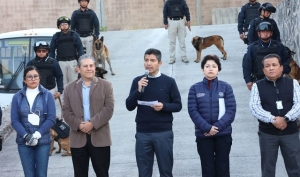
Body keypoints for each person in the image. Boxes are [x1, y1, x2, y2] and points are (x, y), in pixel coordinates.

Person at [125, 48, 182, 177]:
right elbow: (129, 106)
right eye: (146, 60)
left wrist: (164, 106)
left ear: (160, 63)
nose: (148, 63)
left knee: (166, 171)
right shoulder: (137, 81)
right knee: (144, 173)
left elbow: (178, 105)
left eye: (152, 60)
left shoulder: (169, 82)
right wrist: (138, 91)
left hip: (163, 133)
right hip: (143, 133)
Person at [62, 54, 114, 177]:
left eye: (91, 65)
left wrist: (92, 124)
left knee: (102, 173)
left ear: (95, 67)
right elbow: (66, 112)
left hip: (100, 138)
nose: (89, 68)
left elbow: (109, 109)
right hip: (78, 139)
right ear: (78, 69)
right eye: (85, 66)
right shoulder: (69, 88)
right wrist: (80, 125)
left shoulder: (106, 86)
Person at [249, 54, 300, 177]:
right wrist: (272, 119)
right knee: (268, 169)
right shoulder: (257, 86)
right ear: (263, 70)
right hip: (267, 134)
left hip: (290, 133)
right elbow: (254, 107)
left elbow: (298, 104)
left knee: (296, 168)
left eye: (274, 65)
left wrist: (286, 119)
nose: (271, 68)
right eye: (267, 66)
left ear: (281, 67)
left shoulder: (292, 83)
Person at [187, 55, 236, 177]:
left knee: (223, 168)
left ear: (218, 70)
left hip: (223, 135)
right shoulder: (194, 88)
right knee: (207, 168)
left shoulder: (226, 87)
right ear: (202, 69)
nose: (210, 69)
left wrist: (216, 128)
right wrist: (207, 128)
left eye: (214, 66)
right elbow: (193, 111)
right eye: (207, 66)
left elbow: (231, 111)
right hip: (203, 135)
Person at [10, 66, 56, 177]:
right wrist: (26, 136)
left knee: (41, 174)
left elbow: (51, 118)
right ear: (24, 80)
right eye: (29, 77)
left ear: (39, 78)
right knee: (29, 174)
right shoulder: (17, 97)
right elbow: (15, 120)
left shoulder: (47, 95)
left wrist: (37, 135)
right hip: (23, 141)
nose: (33, 79)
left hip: (43, 141)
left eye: (35, 76)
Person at [242, 22, 290, 90]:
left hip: (278, 79)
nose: (265, 33)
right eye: (263, 32)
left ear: (271, 33)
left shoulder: (279, 46)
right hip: (259, 80)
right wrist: (248, 81)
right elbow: (246, 64)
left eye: (267, 31)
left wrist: (282, 71)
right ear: (259, 33)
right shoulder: (252, 48)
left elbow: (286, 60)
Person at [49, 16, 84, 87]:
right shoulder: (56, 36)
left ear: (69, 25)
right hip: (61, 63)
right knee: (62, 83)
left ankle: (73, 98)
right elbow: (51, 51)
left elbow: (80, 49)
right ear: (59, 26)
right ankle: (63, 98)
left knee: (74, 84)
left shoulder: (75, 35)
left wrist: (80, 64)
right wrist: (52, 64)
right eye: (62, 24)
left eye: (66, 24)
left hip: (73, 62)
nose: (64, 26)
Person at [163, 0, 191, 64]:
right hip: (171, 22)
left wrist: (188, 20)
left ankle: (184, 57)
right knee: (172, 41)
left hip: (181, 21)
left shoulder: (181, 1)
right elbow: (165, 13)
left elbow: (186, 10)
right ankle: (172, 58)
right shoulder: (168, 2)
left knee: (182, 40)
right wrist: (165, 22)